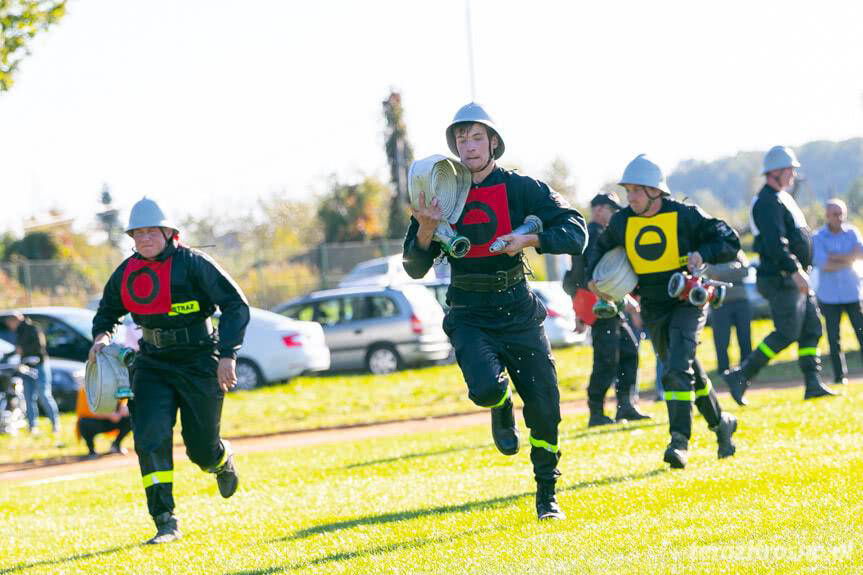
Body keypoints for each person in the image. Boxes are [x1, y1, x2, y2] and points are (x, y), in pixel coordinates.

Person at [403, 102, 587, 520]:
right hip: (469, 310)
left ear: (493, 142)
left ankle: (547, 495)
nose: (468, 146)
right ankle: (500, 402)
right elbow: (414, 266)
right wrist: (427, 228)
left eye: (476, 137)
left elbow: (576, 232)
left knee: (545, 407)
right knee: (485, 389)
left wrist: (529, 241)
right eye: (461, 138)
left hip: (518, 309)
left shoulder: (523, 188)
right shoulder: (441, 191)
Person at [91, 197, 250, 544]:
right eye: (138, 232)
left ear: (168, 232)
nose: (144, 238)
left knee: (201, 449)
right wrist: (101, 337)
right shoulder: (126, 272)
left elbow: (236, 305)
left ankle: (219, 461)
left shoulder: (194, 263)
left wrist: (228, 355)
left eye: (151, 231)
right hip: (152, 364)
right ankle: (165, 520)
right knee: (149, 439)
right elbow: (107, 313)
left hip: (199, 361)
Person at [588, 154, 740, 469]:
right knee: (686, 372)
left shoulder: (686, 215)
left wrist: (704, 252)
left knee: (676, 370)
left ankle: (679, 442)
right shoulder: (622, 221)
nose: (630, 198)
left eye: (636, 191)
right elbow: (599, 251)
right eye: (628, 191)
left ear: (656, 192)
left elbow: (730, 241)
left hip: (688, 301)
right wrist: (593, 279)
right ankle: (721, 423)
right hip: (652, 307)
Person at [724, 146, 836, 404]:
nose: (793, 175)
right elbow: (775, 243)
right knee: (787, 332)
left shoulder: (782, 197)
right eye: (790, 171)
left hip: (794, 276)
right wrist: (795, 270)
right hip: (781, 278)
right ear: (775, 172)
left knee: (811, 328)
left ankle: (813, 383)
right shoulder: (766, 202)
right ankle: (742, 374)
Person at [565, 191, 650, 425]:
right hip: (600, 307)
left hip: (607, 306)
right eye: (611, 211)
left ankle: (626, 407)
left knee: (629, 350)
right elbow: (594, 278)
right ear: (601, 210)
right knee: (606, 360)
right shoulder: (594, 235)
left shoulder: (595, 234)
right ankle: (597, 413)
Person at [812, 198, 863, 384]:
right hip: (829, 296)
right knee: (834, 338)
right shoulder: (818, 237)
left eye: (841, 213)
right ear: (827, 216)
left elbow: (860, 255)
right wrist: (848, 258)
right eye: (835, 214)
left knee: (861, 332)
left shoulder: (852, 232)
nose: (839, 217)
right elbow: (823, 264)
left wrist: (836, 257)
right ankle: (839, 376)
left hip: (852, 292)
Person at [3, 312, 60, 434]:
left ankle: (55, 424)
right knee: (28, 397)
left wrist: (23, 350)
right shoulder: (19, 331)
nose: (10, 326)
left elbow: (40, 346)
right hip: (25, 367)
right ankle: (32, 426)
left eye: (10, 323)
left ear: (16, 320)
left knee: (44, 395)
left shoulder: (33, 327)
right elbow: (18, 350)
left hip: (39, 366)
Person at [705, 250, 753, 374]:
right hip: (720, 303)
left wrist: (722, 272)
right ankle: (723, 370)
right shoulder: (711, 253)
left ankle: (747, 369)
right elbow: (711, 272)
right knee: (721, 339)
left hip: (741, 301)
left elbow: (745, 270)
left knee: (745, 336)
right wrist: (732, 269)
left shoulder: (737, 252)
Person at [75, 385, 132, 458]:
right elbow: (86, 412)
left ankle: (116, 445)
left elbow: (124, 400)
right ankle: (91, 450)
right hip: (94, 421)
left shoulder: (116, 383)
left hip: (112, 420)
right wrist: (109, 415)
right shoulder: (86, 388)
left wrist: (122, 409)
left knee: (130, 418)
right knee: (83, 422)